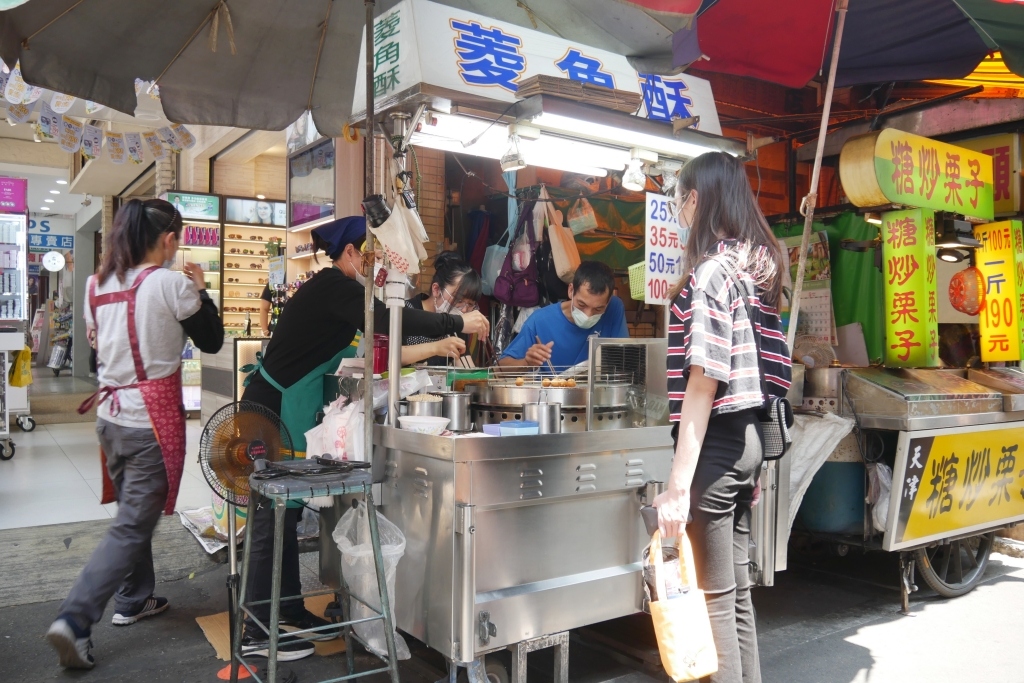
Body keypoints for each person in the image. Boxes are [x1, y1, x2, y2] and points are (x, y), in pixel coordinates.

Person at [239, 216, 490, 661]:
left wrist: (437, 342)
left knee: (288, 516)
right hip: (269, 411)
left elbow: (377, 345)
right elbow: (396, 320)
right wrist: (457, 322)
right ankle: (257, 632)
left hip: (280, 408)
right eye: (369, 254)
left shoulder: (337, 294)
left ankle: (291, 609)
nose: (374, 265)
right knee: (269, 516)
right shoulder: (334, 287)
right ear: (350, 253)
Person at [46, 199, 224, 670]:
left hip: (109, 415)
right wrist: (202, 290)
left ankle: (134, 598)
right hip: (151, 419)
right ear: (168, 240)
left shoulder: (95, 284)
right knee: (133, 523)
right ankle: (76, 618)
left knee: (133, 511)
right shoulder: (172, 284)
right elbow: (211, 339)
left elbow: (92, 354)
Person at [653, 152, 791, 683]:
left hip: (717, 449)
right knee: (733, 600)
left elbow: (703, 382)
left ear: (695, 199)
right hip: (748, 442)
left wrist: (677, 486)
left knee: (710, 606)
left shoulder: (711, 274)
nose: (678, 212)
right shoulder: (753, 267)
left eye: (679, 199)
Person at [497, 261, 628, 371]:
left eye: (598, 308)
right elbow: (500, 368)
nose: (588, 315)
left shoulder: (614, 308)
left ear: (609, 301)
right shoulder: (540, 321)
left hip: (598, 397)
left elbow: (624, 357)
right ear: (571, 291)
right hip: (551, 398)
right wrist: (526, 362)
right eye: (581, 305)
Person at [402, 251, 482, 366]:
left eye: (470, 304)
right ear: (436, 289)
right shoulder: (406, 312)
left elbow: (466, 367)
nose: (464, 310)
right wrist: (436, 347)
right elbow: (388, 357)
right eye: (459, 300)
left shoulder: (457, 323)